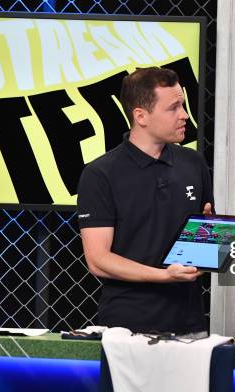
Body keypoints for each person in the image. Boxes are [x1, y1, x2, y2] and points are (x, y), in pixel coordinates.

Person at [77, 67, 212, 335]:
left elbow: (201, 246)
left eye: (183, 105)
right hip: (127, 329)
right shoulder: (101, 174)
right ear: (141, 116)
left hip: (190, 325)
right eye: (173, 108)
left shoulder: (192, 163)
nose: (184, 115)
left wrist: (210, 235)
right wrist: (164, 275)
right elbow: (97, 259)